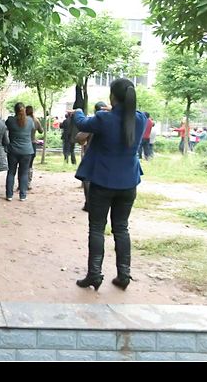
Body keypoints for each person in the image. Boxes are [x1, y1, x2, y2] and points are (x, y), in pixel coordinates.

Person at [72, 78, 146, 291]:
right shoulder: (140, 119)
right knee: (121, 228)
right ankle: (124, 275)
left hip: (103, 181)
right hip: (129, 183)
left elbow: (82, 123)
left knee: (96, 228)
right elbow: (125, 116)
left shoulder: (104, 119)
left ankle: (94, 275)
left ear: (113, 96)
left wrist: (78, 110)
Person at [75, 101, 107, 213]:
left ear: (95, 110)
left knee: (88, 180)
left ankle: (89, 203)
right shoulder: (113, 121)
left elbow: (80, 137)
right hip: (106, 157)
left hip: (92, 155)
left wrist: (82, 141)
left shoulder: (94, 121)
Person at [4, 102, 35, 201]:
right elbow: (33, 129)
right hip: (27, 150)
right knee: (24, 173)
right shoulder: (30, 120)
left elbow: (5, 128)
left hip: (13, 150)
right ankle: (23, 195)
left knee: (11, 172)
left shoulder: (10, 120)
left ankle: (9, 195)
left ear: (15, 110)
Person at [25, 105, 44, 190]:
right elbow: (41, 131)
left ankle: (21, 183)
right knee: (30, 165)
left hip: (24, 143)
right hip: (32, 144)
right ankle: (28, 183)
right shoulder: (36, 120)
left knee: (22, 165)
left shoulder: (23, 120)